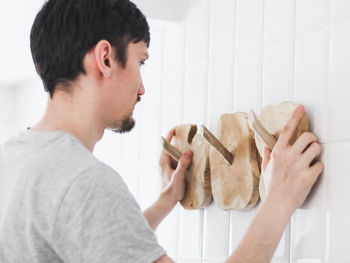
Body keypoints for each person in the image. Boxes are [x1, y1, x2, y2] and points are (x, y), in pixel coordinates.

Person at [0, 0, 324, 262]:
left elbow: (85, 243)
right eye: (140, 62)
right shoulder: (84, 182)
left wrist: (165, 202)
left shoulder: (11, 161)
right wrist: (279, 200)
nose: (141, 89)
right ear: (106, 59)